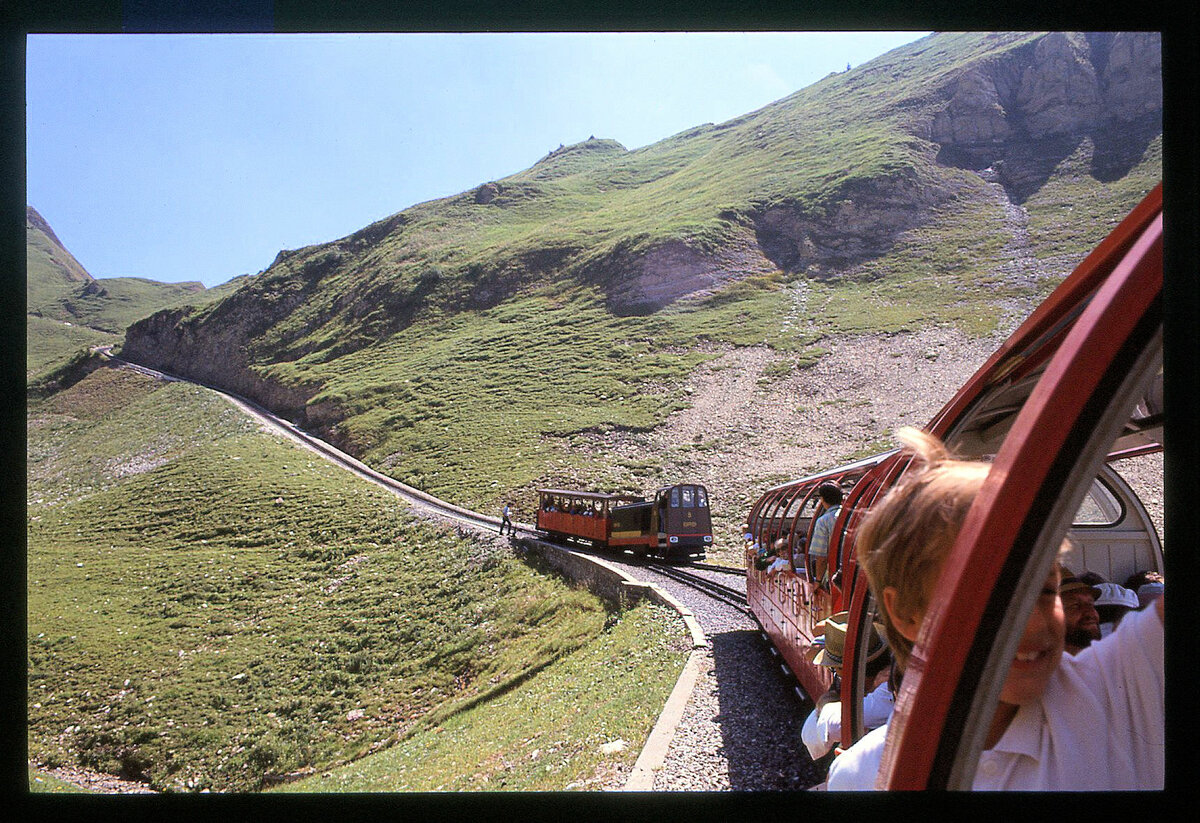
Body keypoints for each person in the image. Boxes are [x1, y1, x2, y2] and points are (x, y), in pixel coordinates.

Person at [826, 427, 1164, 791]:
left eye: (1046, 590)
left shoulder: (1121, 687)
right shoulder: (864, 778)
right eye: (987, 600)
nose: (1033, 623)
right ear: (907, 613)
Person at [801, 611, 894, 762]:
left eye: (834, 669)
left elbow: (829, 728)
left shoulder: (886, 691)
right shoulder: (882, 682)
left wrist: (825, 703)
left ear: (846, 670)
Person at [1059, 570, 1101, 655]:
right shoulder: (1039, 666)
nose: (1090, 613)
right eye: (1075, 605)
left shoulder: (1105, 661)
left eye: (1091, 604)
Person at [809, 483, 843, 587]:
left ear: (823, 499)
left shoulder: (824, 521)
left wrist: (818, 581)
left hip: (835, 575)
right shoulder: (852, 514)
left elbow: (821, 556)